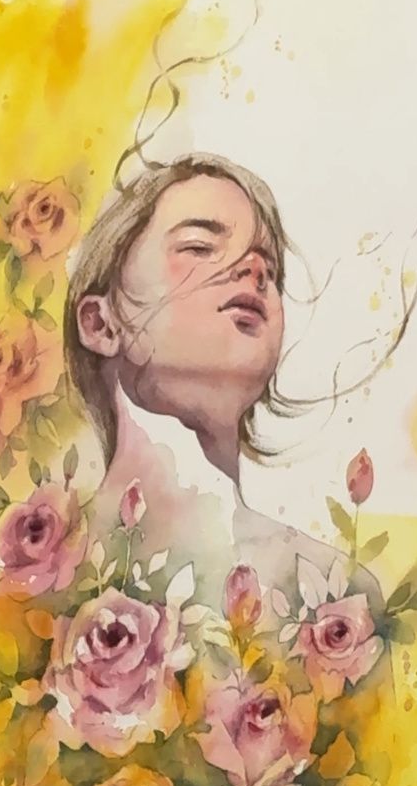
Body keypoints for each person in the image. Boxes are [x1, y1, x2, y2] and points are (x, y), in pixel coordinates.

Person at [65, 152, 379, 605]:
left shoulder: (336, 600)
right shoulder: (37, 582)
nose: (254, 270)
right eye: (199, 247)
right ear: (101, 324)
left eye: (269, 268)